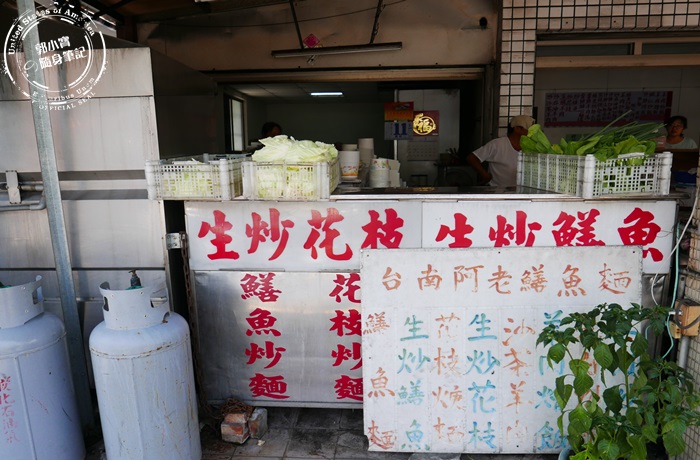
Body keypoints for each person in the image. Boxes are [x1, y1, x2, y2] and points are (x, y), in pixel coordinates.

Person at [465, 115, 535, 187]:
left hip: (522, 190)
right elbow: (472, 158)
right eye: (530, 129)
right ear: (517, 129)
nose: (533, 132)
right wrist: (485, 175)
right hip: (498, 190)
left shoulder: (532, 147)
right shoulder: (497, 144)